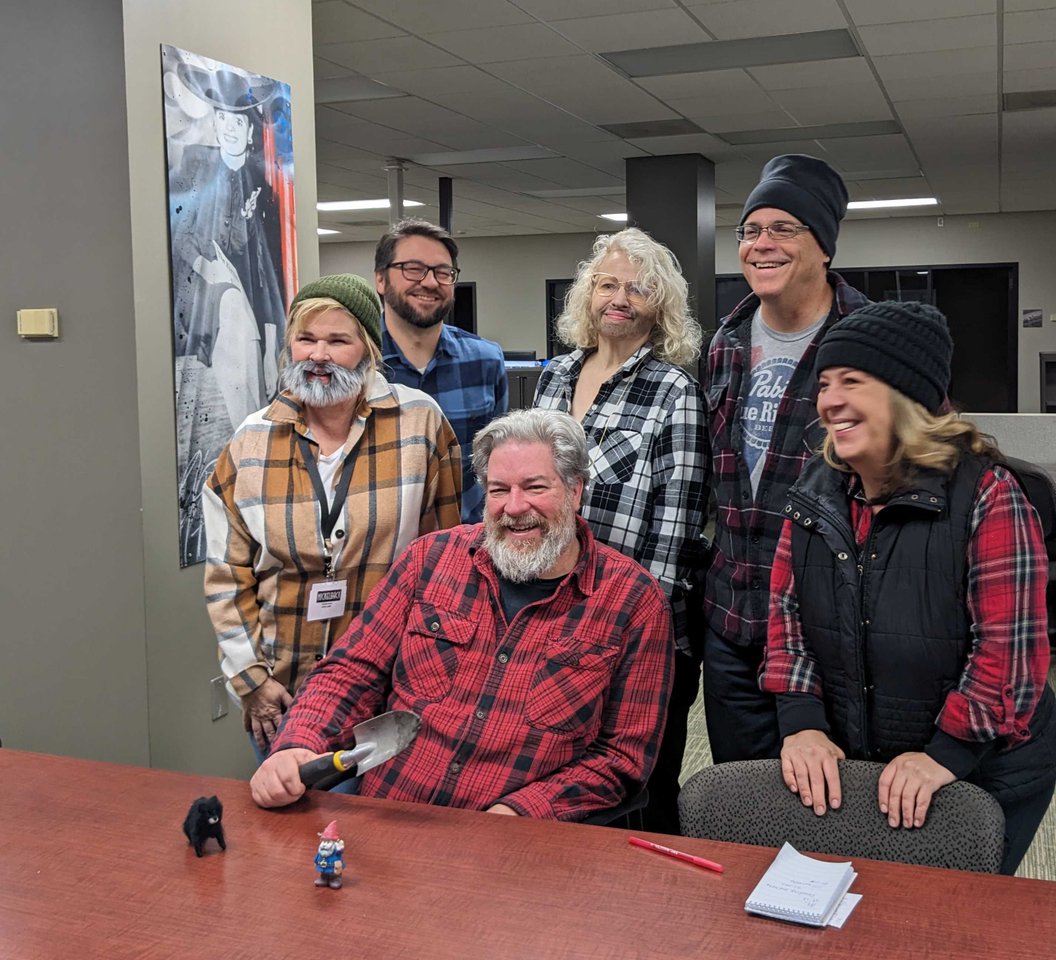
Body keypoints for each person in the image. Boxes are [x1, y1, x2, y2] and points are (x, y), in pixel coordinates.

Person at [761, 301, 1056, 875]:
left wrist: (944, 755)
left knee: (948, 920)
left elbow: (1009, 657)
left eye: (852, 381)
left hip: (984, 771)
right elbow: (786, 622)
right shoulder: (814, 491)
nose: (829, 400)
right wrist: (802, 722)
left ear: (908, 397)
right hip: (868, 763)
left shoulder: (988, 496)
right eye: (825, 383)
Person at [250, 409, 674, 822]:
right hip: (392, 823)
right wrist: (297, 743)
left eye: (535, 487)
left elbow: (623, 757)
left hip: (519, 847)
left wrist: (521, 812)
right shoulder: (430, 560)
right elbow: (351, 672)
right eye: (498, 490)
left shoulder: (633, 602)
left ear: (576, 490)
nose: (514, 507)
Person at [204, 273, 462, 775]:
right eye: (306, 339)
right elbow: (225, 575)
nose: (318, 355)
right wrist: (250, 679)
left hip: (389, 688)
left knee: (379, 843)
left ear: (367, 348)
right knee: (294, 839)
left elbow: (445, 559)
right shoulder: (250, 442)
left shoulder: (420, 424)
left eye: (338, 341)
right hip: (284, 691)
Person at [533, 228, 709, 834]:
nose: (620, 298)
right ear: (588, 294)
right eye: (608, 284)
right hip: (556, 612)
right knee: (564, 770)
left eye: (638, 289)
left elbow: (676, 530)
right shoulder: (555, 377)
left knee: (642, 781)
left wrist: (634, 628)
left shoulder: (675, 391)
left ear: (660, 306)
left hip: (639, 626)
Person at [704, 154, 870, 764]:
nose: (761, 244)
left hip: (828, 624)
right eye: (750, 230)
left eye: (783, 229)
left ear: (823, 246)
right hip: (733, 620)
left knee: (832, 806)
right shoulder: (725, 340)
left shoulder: (870, 338)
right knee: (741, 801)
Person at [169, 66, 289, 430]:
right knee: (237, 318)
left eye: (237, 122)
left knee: (259, 339)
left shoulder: (259, 184)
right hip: (202, 289)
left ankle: (253, 434)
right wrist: (211, 270)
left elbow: (262, 267)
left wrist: (274, 335)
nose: (229, 128)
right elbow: (181, 237)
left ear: (250, 130)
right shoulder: (195, 165)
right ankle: (248, 437)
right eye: (222, 119)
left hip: (243, 291)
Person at [375, 218, 508, 524]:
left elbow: (496, 464)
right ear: (381, 279)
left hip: (467, 548)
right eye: (413, 269)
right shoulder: (357, 366)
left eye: (443, 272)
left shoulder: (485, 360)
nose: (431, 282)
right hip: (382, 555)